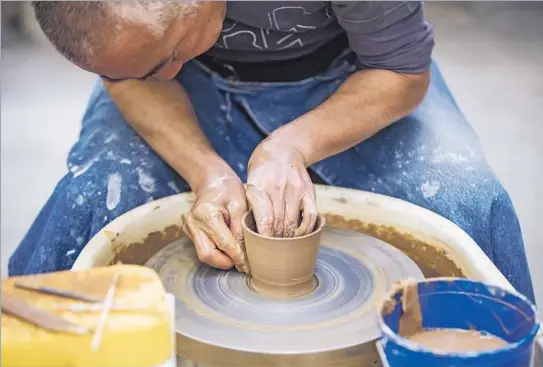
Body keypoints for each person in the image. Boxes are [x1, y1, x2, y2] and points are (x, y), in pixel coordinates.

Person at [10, 1, 535, 302]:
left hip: (355, 75)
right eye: (147, 65)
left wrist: (289, 147)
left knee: (467, 201)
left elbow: (402, 72)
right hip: (199, 87)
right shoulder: (154, 66)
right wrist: (206, 172)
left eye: (169, 51)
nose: (163, 73)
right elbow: (130, 75)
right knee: (88, 203)